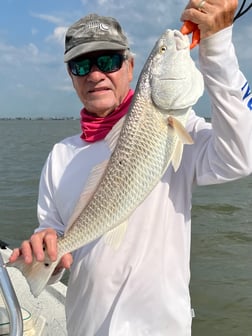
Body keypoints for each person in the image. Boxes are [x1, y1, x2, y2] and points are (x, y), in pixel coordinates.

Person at [9, 1, 252, 335]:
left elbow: (241, 154)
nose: (96, 74)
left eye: (108, 61)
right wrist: (46, 248)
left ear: (130, 66)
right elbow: (52, 231)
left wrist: (218, 46)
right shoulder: (60, 155)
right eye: (82, 65)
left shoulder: (182, 128)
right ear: (71, 75)